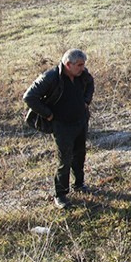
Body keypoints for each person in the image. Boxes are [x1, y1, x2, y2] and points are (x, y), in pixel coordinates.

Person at [23, 49, 95, 209]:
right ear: (68, 64)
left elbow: (90, 83)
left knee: (80, 153)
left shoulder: (82, 73)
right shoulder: (50, 77)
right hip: (62, 126)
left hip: (80, 121)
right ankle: (60, 195)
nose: (83, 68)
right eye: (79, 65)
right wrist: (48, 115)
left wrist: (86, 101)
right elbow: (29, 97)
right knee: (65, 160)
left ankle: (79, 184)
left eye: (83, 65)